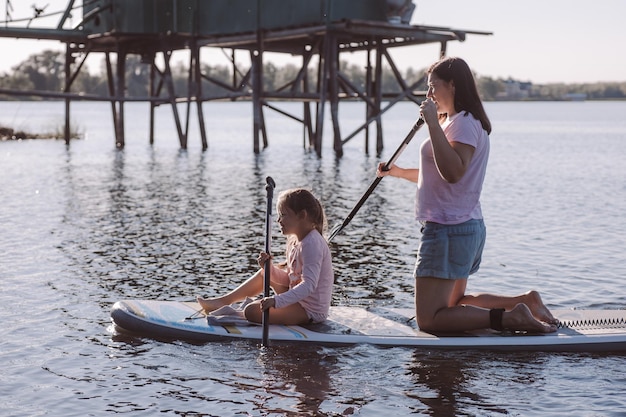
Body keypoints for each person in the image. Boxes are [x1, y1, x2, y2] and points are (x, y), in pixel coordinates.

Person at [377, 56, 558, 334]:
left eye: (433, 87)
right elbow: (439, 174)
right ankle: (525, 302)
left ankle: (512, 318)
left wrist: (432, 125)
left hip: (449, 230)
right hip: (464, 227)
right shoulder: (457, 122)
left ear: (452, 85)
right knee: (457, 303)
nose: (429, 95)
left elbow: (454, 172)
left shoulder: (462, 123)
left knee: (430, 320)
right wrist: (398, 172)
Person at [197, 188, 334, 325]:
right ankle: (223, 302)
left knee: (251, 311)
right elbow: (290, 280)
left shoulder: (312, 244)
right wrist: (269, 269)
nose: (278, 220)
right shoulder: (295, 242)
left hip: (309, 310)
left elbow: (309, 285)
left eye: (284, 215)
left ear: (302, 215)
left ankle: (238, 313)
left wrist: (277, 301)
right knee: (265, 273)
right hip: (299, 299)